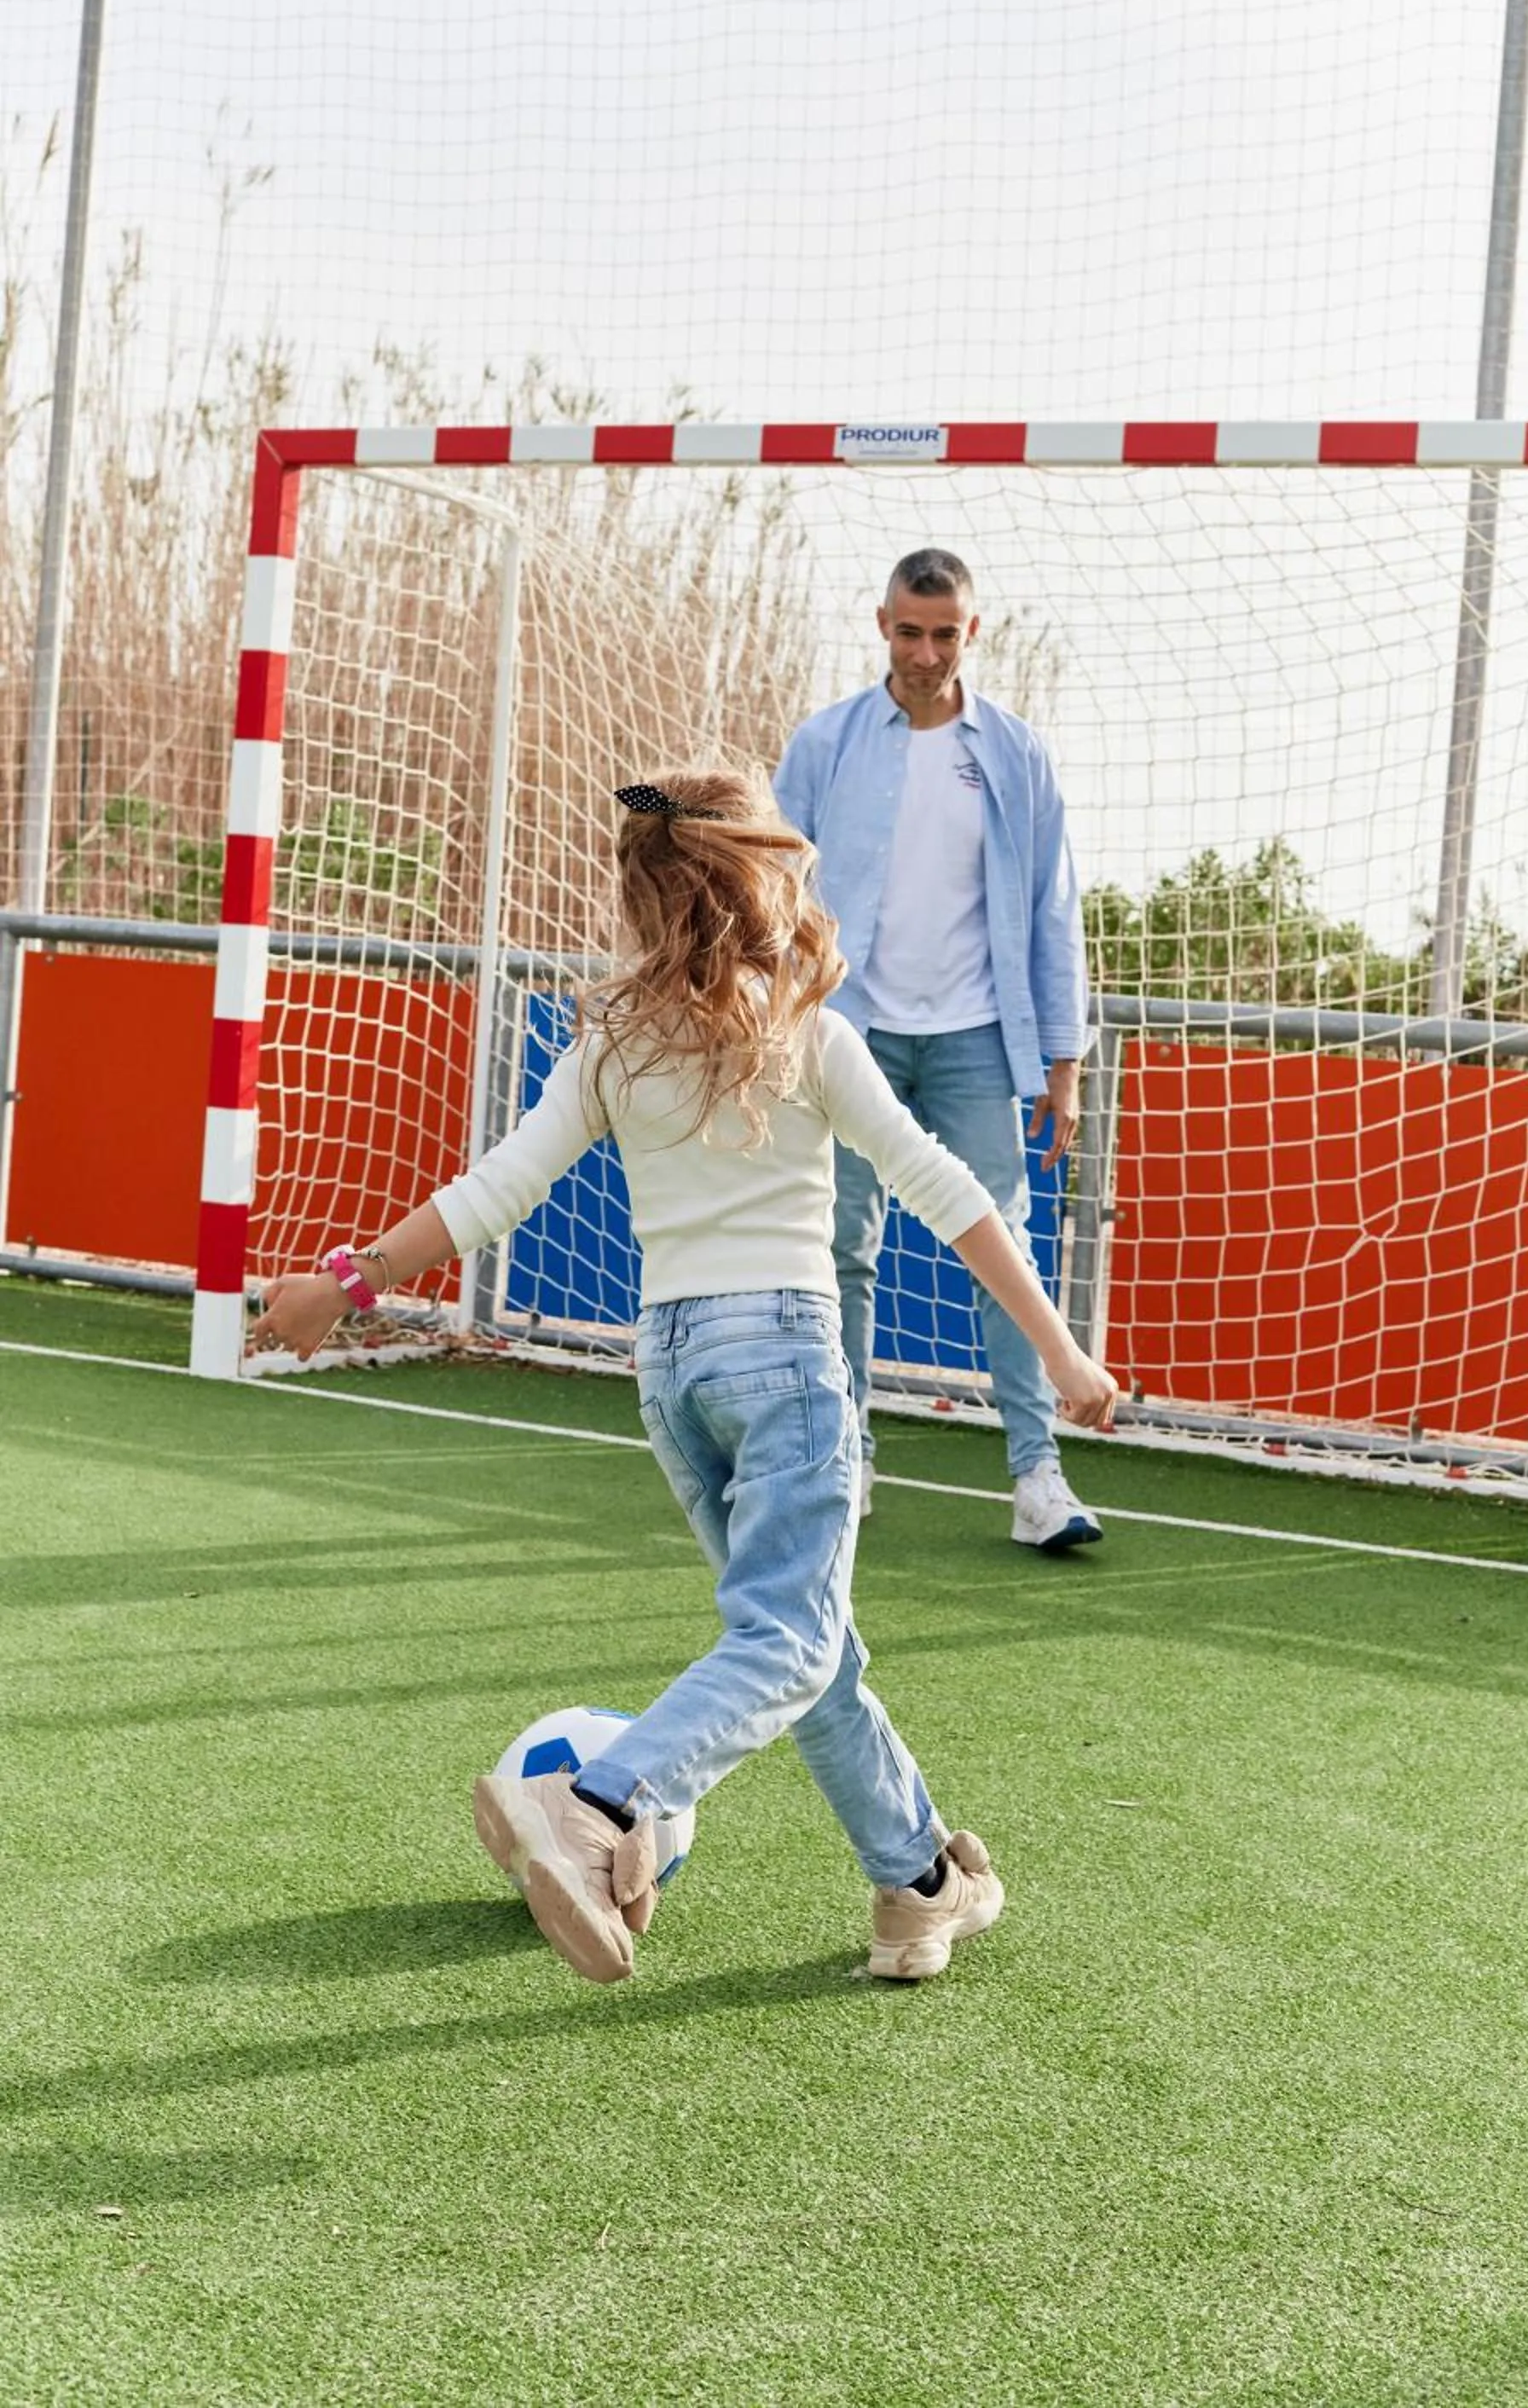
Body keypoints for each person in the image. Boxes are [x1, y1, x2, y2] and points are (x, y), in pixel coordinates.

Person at [257, 766, 1119, 1988]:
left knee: (811, 1646)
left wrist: (346, 1283)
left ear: (645, 892)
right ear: (762, 878)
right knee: (787, 1641)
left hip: (669, 1370)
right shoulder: (810, 1034)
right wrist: (1060, 1348)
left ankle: (918, 1885)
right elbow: (951, 1192)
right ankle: (603, 1803)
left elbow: (498, 1187)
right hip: (786, 1362)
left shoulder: (612, 1038)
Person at [773, 547, 1102, 1554]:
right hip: (847, 1029)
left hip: (971, 1037)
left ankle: (1037, 1476)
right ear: (881, 625)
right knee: (841, 1251)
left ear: (971, 632)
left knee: (999, 1244)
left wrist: (1063, 1061)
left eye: (943, 633)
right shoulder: (824, 744)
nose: (924, 652)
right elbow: (771, 885)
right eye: (908, 632)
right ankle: (848, 1456)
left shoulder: (1014, 752)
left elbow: (1052, 909)